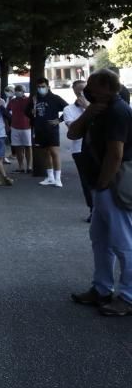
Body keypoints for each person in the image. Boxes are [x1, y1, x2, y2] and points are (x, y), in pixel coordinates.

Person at [67, 69, 132, 316]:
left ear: (106, 87)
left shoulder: (118, 111)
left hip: (113, 185)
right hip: (101, 185)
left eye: (92, 87)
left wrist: (103, 185)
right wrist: (87, 115)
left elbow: (116, 154)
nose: (87, 92)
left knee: (124, 242)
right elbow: (73, 133)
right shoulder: (99, 109)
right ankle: (102, 288)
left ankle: (128, 296)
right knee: (101, 239)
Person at [27, 77, 68, 187]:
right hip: (39, 129)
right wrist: (32, 112)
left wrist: (59, 120)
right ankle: (50, 177)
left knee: (54, 152)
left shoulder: (55, 98)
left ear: (48, 87)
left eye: (43, 86)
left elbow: (68, 109)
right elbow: (27, 112)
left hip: (52, 130)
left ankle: (58, 178)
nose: (41, 88)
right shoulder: (35, 99)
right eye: (39, 87)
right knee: (45, 154)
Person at [63, 80, 94, 222]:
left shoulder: (97, 106)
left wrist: (88, 107)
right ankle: (93, 209)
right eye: (79, 91)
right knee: (86, 181)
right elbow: (74, 129)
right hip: (79, 149)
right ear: (74, 92)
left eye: (84, 90)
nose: (82, 93)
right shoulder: (69, 109)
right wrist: (86, 112)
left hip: (97, 147)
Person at [6, 85, 33, 174]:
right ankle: (20, 166)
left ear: (23, 91)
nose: (18, 92)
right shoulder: (12, 101)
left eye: (19, 90)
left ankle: (29, 166)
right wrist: (11, 119)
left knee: (28, 146)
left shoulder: (28, 100)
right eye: (16, 90)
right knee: (18, 147)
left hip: (26, 127)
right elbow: (6, 111)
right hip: (15, 127)